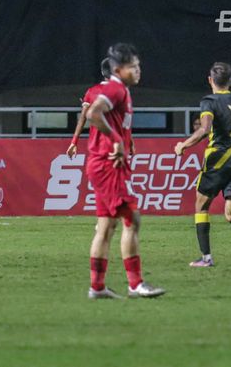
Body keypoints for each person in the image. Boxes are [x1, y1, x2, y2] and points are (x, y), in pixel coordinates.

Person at [85, 43, 165, 299]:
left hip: (103, 162)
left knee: (106, 226)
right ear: (119, 69)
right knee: (132, 219)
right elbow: (93, 114)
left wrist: (124, 139)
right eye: (133, 67)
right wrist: (117, 140)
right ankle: (136, 284)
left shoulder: (122, 90)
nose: (139, 70)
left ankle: (97, 287)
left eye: (138, 65)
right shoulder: (115, 89)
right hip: (109, 165)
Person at [174, 62, 231, 267]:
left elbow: (205, 130)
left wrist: (184, 145)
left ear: (210, 80)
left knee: (201, 206)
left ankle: (206, 258)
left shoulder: (209, 101)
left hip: (217, 159)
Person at [66, 58, 111, 159]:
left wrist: (74, 142)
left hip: (97, 144)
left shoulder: (92, 92)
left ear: (102, 72)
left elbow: (82, 118)